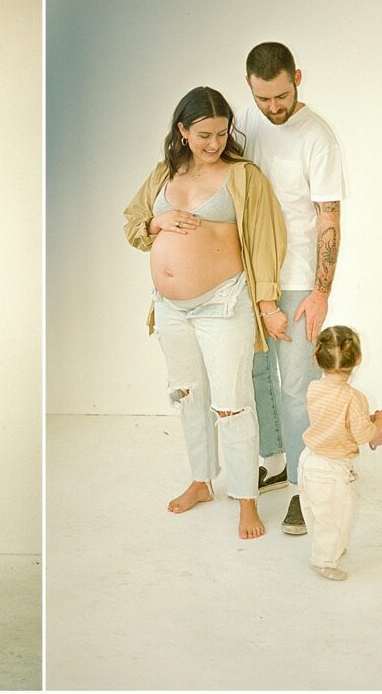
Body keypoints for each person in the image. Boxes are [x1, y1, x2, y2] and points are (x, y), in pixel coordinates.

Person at [123, 86, 288, 539]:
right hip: (171, 309)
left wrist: (268, 305)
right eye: (203, 135)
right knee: (189, 394)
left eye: (221, 133)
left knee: (232, 403)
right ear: (182, 131)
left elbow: (266, 240)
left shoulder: (244, 176)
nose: (214, 143)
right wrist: (156, 222)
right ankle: (201, 479)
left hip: (223, 302)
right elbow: (133, 225)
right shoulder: (163, 174)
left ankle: (246, 500)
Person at [234, 42, 345, 535]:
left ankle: (304, 487)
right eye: (264, 99)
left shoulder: (317, 136)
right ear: (250, 88)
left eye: (281, 96)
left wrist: (321, 291)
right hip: (250, 275)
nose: (273, 108)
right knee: (256, 374)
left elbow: (328, 218)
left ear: (296, 77)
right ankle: (275, 461)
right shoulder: (243, 121)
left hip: (299, 278)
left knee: (296, 386)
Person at [298, 326, 382, 581]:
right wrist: (380, 421)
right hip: (331, 468)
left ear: (317, 357)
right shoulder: (354, 398)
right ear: (357, 359)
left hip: (308, 459)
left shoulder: (314, 388)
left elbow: (332, 419)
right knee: (336, 516)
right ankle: (324, 561)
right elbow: (363, 435)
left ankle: (328, 547)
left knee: (318, 512)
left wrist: (363, 420)